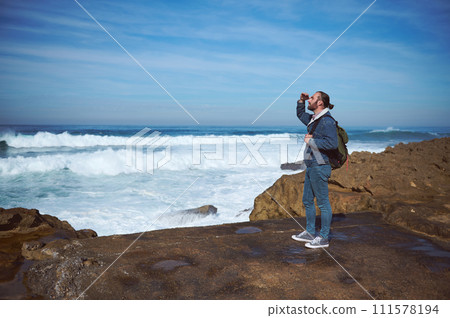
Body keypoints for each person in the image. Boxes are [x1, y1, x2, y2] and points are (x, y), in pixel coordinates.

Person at [291, 91, 338, 248]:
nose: (309, 99)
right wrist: (301, 101)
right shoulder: (314, 119)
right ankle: (310, 232)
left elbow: (332, 144)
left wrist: (313, 141)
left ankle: (323, 237)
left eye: (312, 98)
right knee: (307, 200)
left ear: (320, 103)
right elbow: (300, 115)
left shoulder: (327, 121)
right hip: (311, 165)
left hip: (321, 165)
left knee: (323, 203)